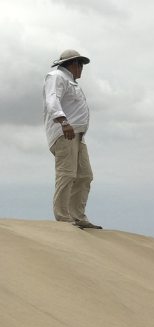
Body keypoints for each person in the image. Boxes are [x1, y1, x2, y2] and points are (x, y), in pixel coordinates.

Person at [43, 49, 101, 229]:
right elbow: (52, 99)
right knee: (66, 174)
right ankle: (63, 218)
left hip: (78, 136)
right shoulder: (56, 76)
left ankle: (77, 216)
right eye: (81, 64)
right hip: (65, 132)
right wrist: (63, 121)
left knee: (85, 176)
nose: (82, 69)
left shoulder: (70, 81)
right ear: (73, 64)